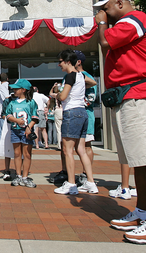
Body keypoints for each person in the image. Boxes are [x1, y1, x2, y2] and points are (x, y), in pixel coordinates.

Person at [94, 0, 146, 244]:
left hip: (140, 94)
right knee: (138, 158)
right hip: (128, 95)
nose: (101, 13)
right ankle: (143, 212)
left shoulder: (134, 19)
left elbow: (105, 42)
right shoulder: (126, 23)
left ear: (119, 3)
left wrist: (103, 24)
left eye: (105, 8)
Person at [52, 49, 98, 196]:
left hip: (71, 113)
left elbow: (63, 96)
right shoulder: (80, 75)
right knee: (81, 150)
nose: (59, 65)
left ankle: (71, 183)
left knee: (67, 150)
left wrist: (56, 94)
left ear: (67, 62)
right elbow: (93, 82)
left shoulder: (70, 76)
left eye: (60, 62)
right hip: (83, 113)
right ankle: (90, 182)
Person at [3, 79, 38, 188]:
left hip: (26, 131)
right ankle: (18, 175)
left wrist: (29, 127)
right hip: (15, 130)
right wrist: (16, 120)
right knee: (17, 153)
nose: (13, 90)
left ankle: (25, 177)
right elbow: (7, 115)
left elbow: (35, 117)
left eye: (16, 89)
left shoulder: (31, 102)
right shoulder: (12, 102)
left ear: (23, 90)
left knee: (27, 154)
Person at [73, 50, 97, 184]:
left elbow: (91, 99)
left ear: (78, 62)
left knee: (86, 146)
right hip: (73, 117)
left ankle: (86, 174)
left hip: (86, 116)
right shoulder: (70, 76)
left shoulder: (87, 77)